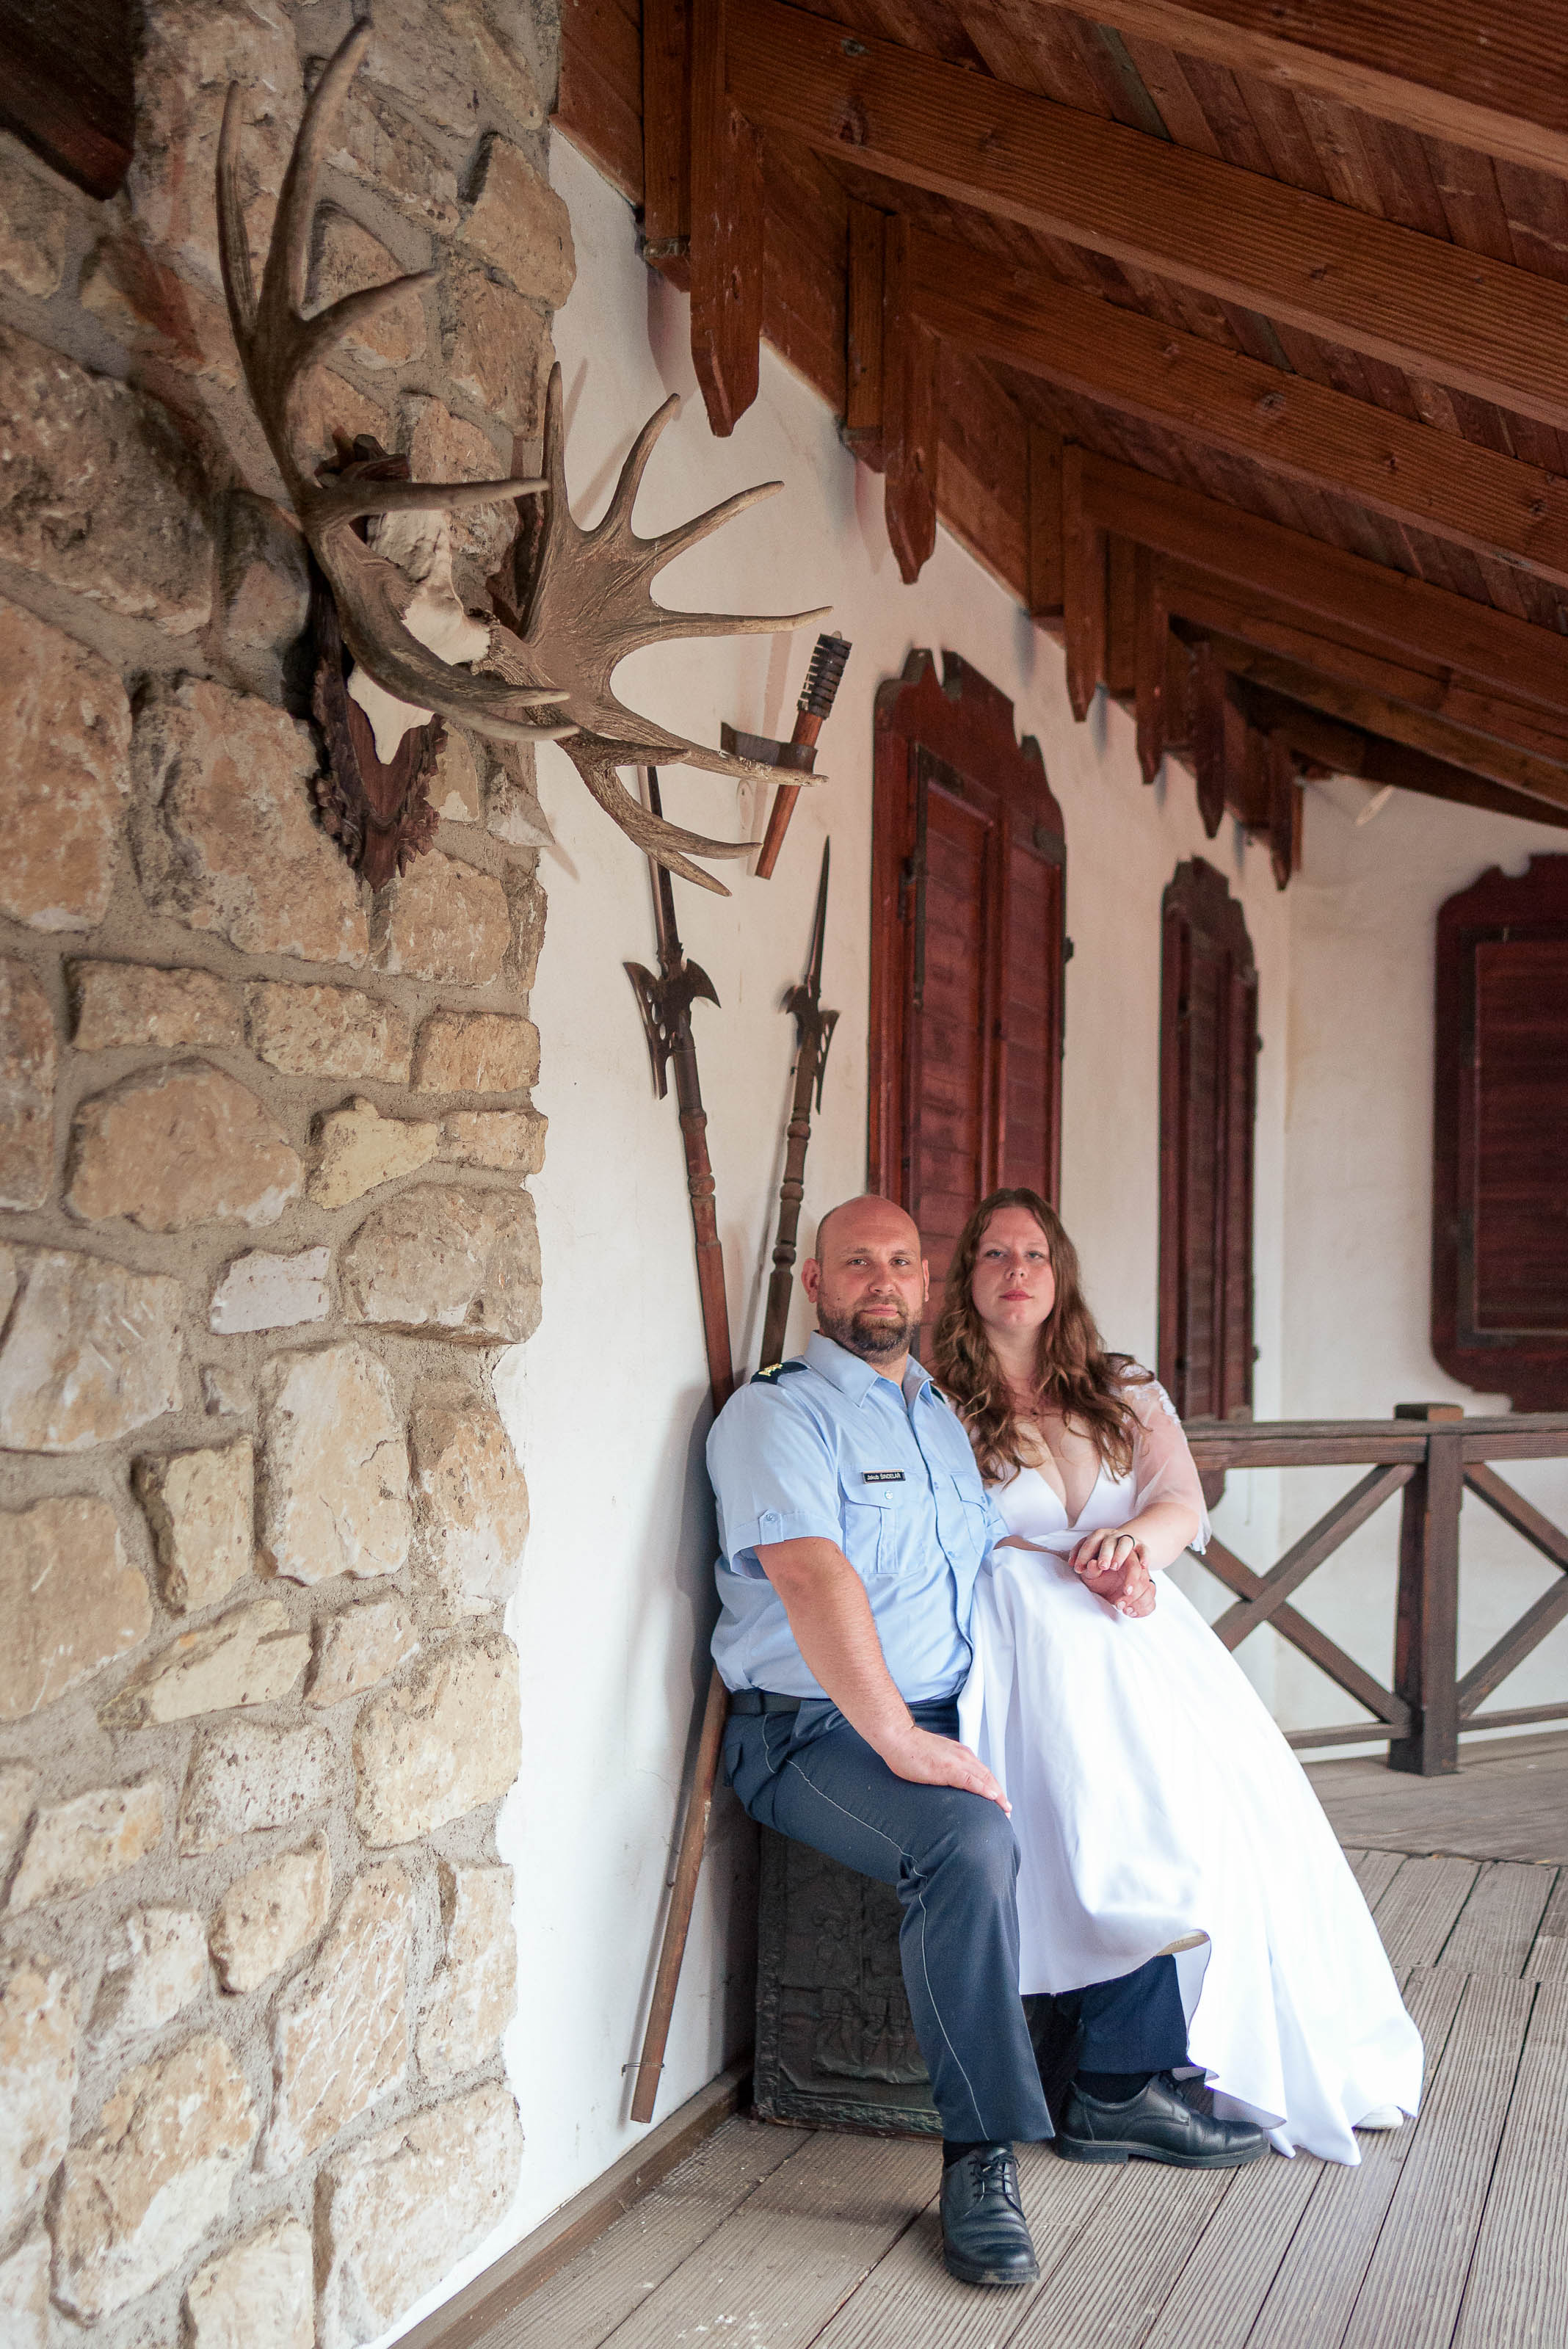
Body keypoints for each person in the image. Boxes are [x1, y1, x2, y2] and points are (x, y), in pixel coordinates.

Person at [707, 1194, 1266, 2292]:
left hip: (941, 1706)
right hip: (813, 1731)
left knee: (1098, 1773)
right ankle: (979, 2159)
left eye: (899, 1262)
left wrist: (1116, 1581)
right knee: (964, 1842)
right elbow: (812, 1576)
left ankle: (1116, 2075)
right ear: (816, 1285)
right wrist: (900, 1739)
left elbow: (997, 1562)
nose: (882, 1282)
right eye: (856, 1263)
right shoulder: (776, 1415)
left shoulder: (930, 1414)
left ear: (925, 1285)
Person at [934, 1186, 1424, 2165]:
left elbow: (1179, 1501)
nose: (1017, 1270)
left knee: (1225, 1826)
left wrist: (1132, 1553)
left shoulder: (1119, 1386)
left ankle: (1182, 2051)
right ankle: (1116, 2079)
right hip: (1021, 1645)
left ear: (1061, 1273)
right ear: (967, 1278)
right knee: (1117, 1833)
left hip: (1136, 1631)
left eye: (1034, 1254)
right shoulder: (937, 1401)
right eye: (994, 1254)